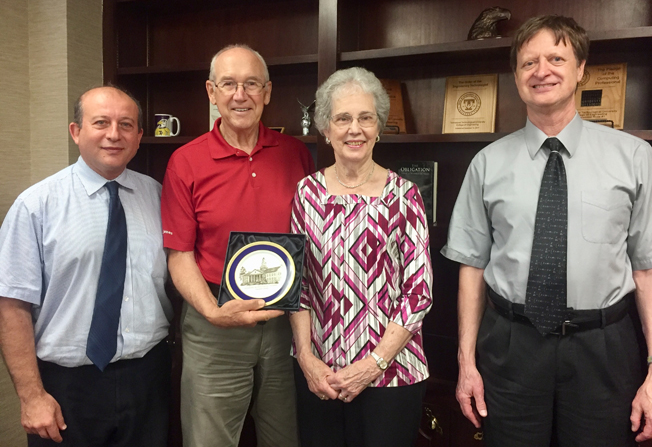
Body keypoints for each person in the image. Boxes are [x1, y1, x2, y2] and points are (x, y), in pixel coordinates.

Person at [442, 15, 652, 446]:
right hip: (512, 347)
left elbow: (646, 271)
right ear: (516, 77)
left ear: (580, 70)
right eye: (528, 62)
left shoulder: (634, 157)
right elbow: (471, 269)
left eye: (556, 57)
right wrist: (467, 363)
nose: (542, 71)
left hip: (605, 350)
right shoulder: (487, 163)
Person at [0, 86, 172, 446]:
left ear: (140, 137)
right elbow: (11, 307)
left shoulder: (159, 197)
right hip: (66, 386)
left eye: (126, 124)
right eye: (101, 122)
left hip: (147, 378)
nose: (114, 134)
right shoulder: (36, 206)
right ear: (76, 132)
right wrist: (31, 397)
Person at [161, 44, 314, 447]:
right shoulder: (186, 161)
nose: (239, 95)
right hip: (214, 322)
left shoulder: (297, 154)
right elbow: (180, 254)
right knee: (210, 439)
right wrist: (213, 313)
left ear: (267, 92)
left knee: (286, 437)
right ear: (211, 92)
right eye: (228, 84)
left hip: (287, 323)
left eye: (251, 84)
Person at [290, 67, 433, 447]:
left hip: (392, 373)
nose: (355, 129)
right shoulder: (307, 193)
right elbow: (297, 285)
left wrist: (372, 366)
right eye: (343, 118)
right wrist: (305, 358)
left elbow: (418, 293)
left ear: (379, 127)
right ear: (325, 128)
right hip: (321, 376)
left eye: (365, 118)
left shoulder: (405, 195)